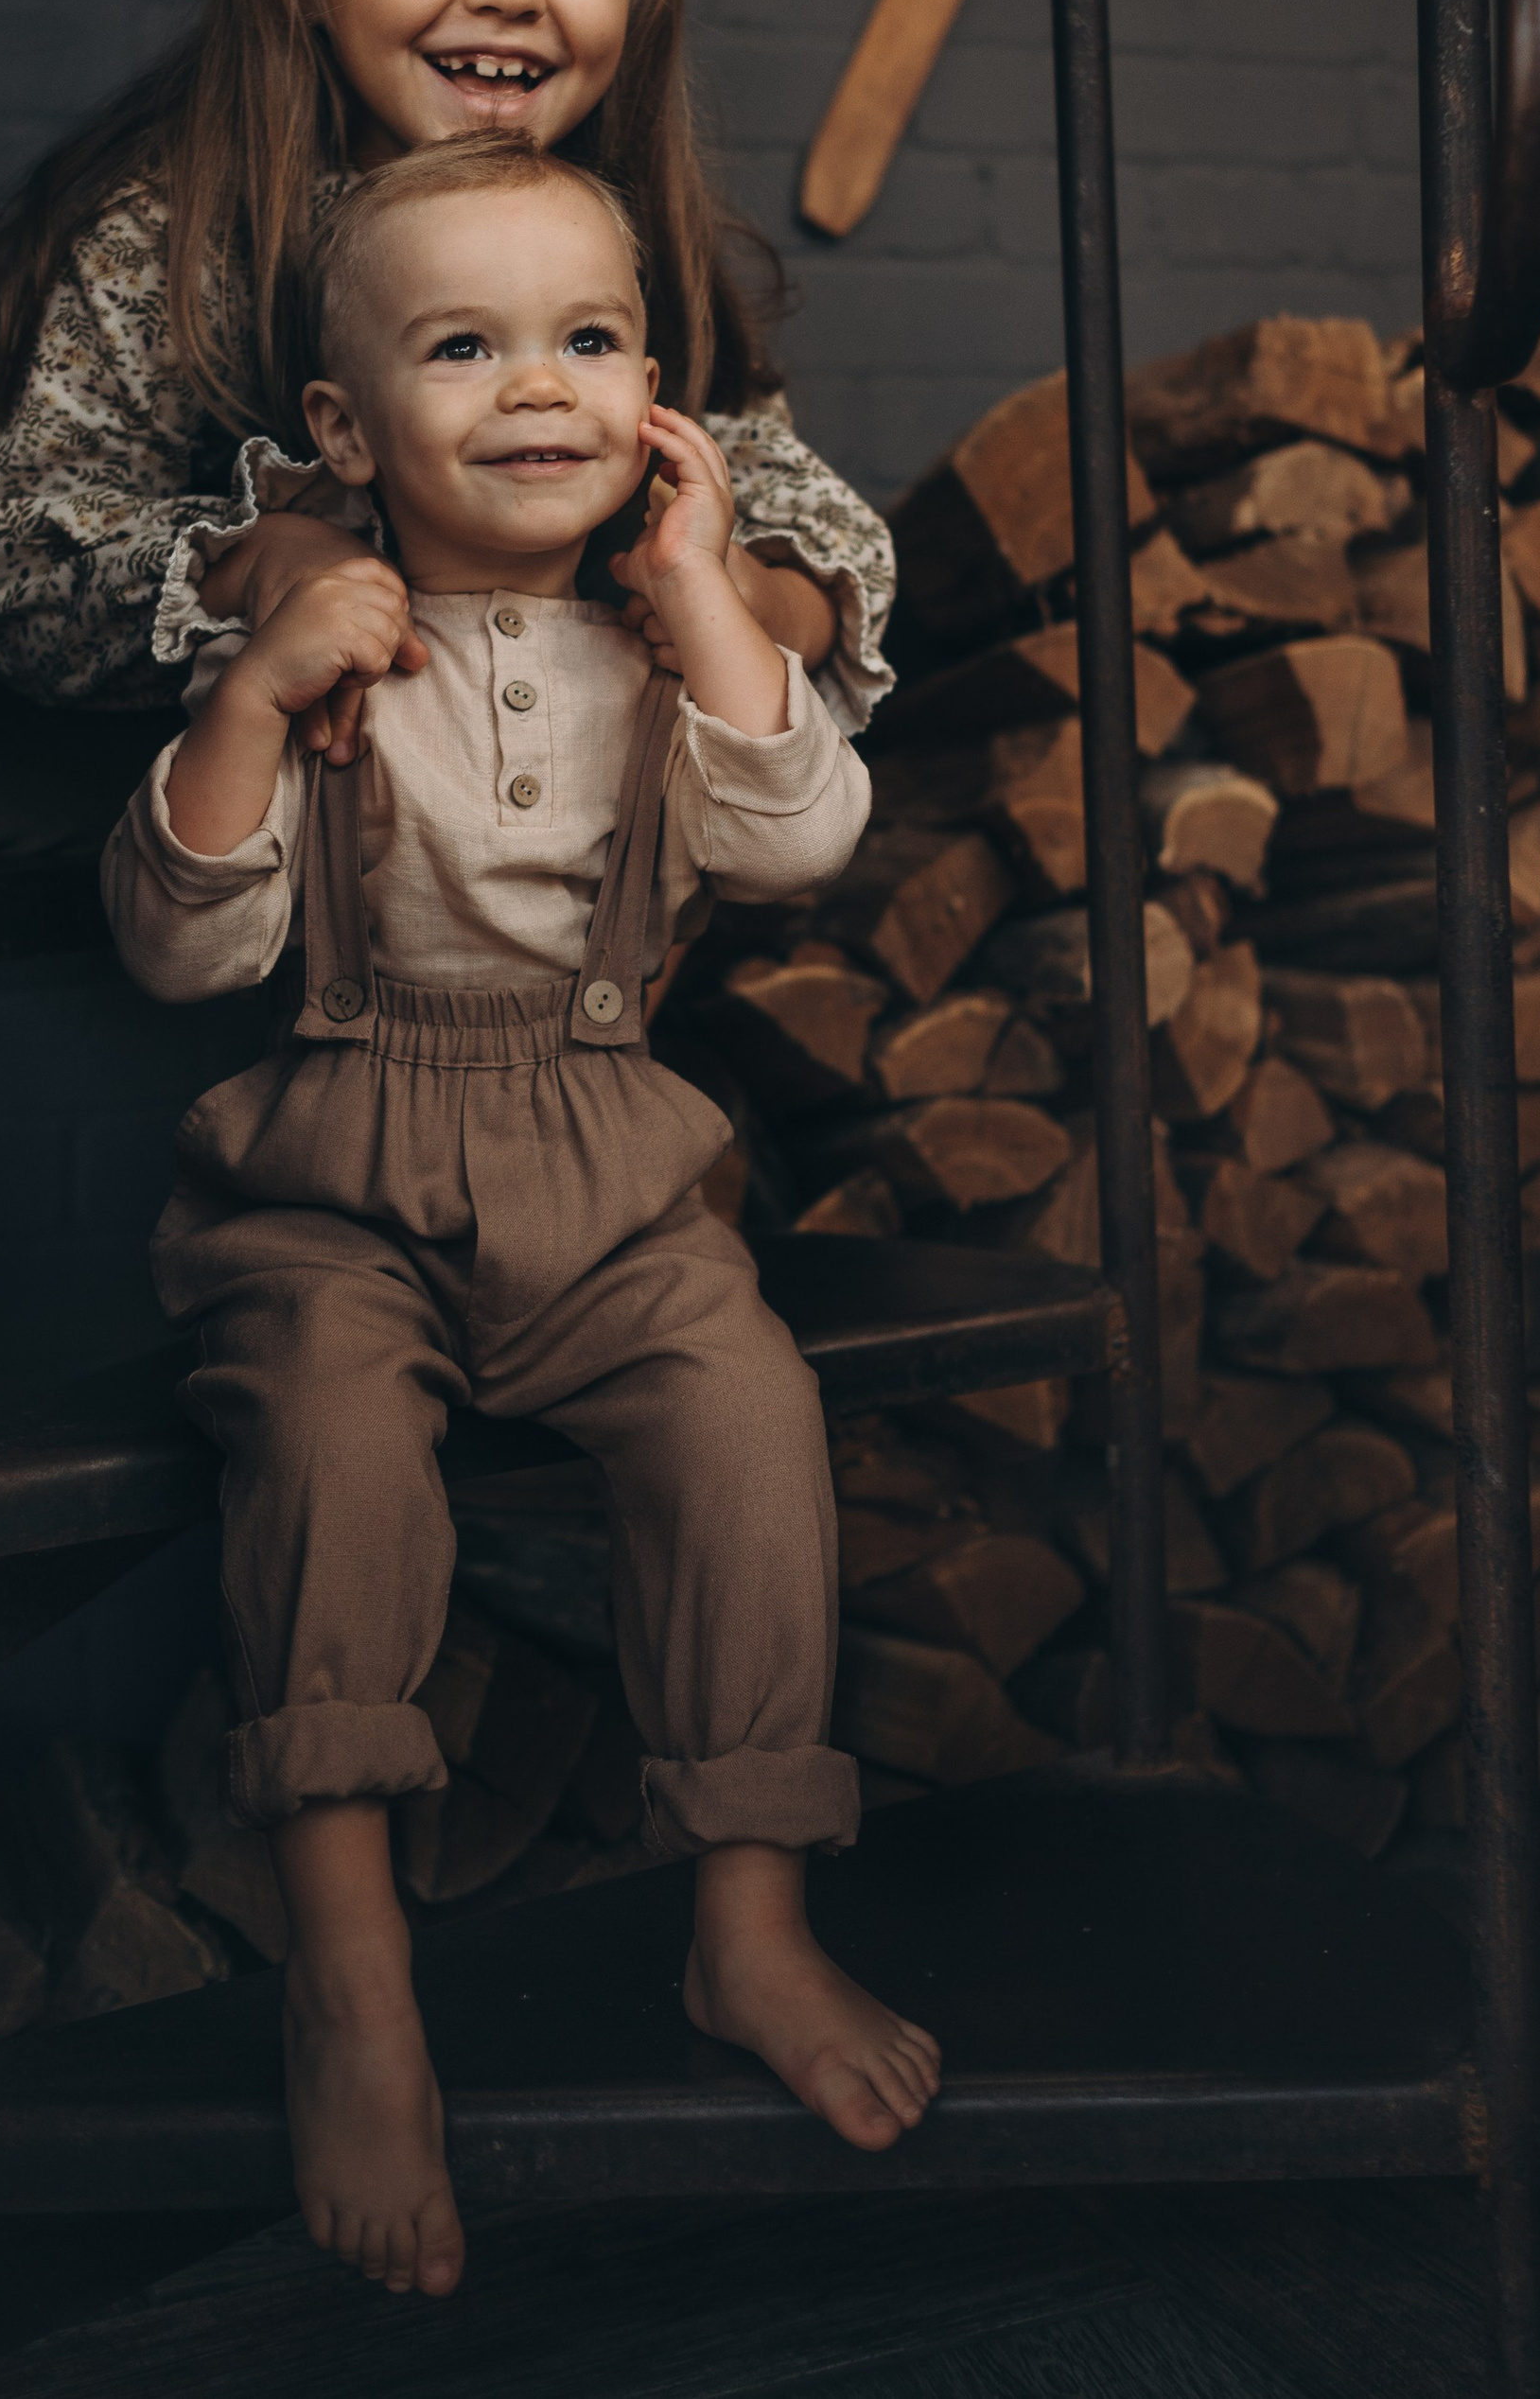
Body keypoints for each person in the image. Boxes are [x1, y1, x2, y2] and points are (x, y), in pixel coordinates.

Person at [103, 131, 940, 2301]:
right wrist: (243, 697)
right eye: (461, 346)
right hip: (340, 1162)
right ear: (341, 427)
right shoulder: (323, 645)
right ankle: (352, 1970)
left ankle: (746, 1924)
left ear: (657, 392)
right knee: (323, 1428)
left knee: (744, 1413)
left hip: (605, 1153)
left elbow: (795, 841)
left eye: (587, 336)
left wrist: (704, 599)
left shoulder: (665, 645)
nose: (535, 385)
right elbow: (187, 950)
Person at [0, 0, 894, 775]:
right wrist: (254, 562)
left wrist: (756, 598)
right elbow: (5, 562)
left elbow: (814, 521)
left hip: (565, 874)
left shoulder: (632, 234)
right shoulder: (176, 240)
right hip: (241, 864)